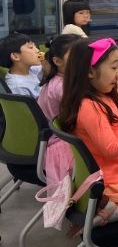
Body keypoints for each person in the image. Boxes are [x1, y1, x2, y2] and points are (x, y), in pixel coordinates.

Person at [58, 37, 118, 220]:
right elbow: (110, 148)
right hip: (114, 179)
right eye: (114, 67)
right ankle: (116, 208)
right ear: (90, 72)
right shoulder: (90, 107)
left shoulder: (101, 96)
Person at [37, 34, 81, 186]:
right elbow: (81, 120)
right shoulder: (64, 87)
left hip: (54, 140)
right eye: (76, 56)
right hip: (65, 146)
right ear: (57, 61)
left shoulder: (55, 80)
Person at [0, 32, 43, 97]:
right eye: (31, 47)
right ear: (15, 56)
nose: (37, 50)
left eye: (35, 46)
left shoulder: (30, 70)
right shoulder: (18, 86)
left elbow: (49, 67)